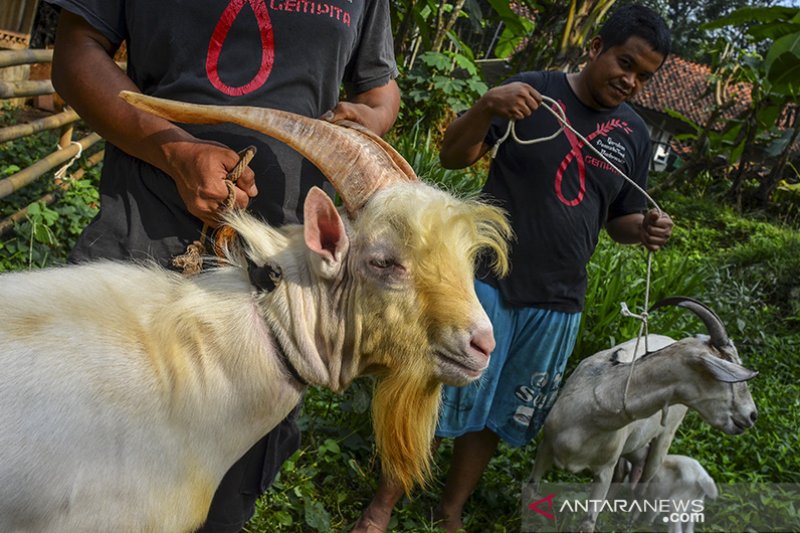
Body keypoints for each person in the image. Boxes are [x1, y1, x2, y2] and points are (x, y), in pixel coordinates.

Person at [46, 0, 399, 531]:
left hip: (276, 294)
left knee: (220, 504)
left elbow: (378, 90)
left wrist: (367, 121)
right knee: (78, 487)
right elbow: (76, 51)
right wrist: (174, 152)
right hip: (142, 253)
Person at [354, 5, 673, 532]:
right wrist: (485, 106)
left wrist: (644, 228)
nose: (630, 80)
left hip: (557, 300)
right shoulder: (532, 92)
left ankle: (449, 510)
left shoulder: (634, 134)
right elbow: (455, 156)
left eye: (644, 75)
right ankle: (382, 505)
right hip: (483, 283)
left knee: (497, 414)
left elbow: (620, 219)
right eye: (624, 62)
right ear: (597, 47)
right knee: (435, 388)